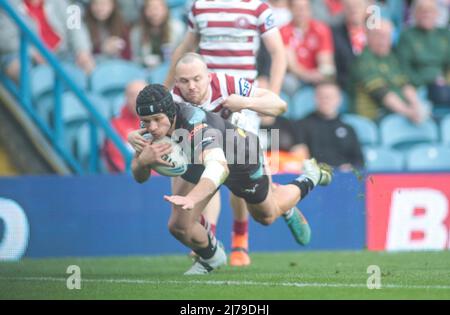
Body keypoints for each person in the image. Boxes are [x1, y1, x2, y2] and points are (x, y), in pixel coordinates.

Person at [130, 84, 333, 275]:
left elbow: (219, 168)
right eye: (147, 121)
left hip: (241, 158)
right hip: (199, 161)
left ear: (171, 112)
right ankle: (212, 258)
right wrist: (142, 162)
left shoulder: (196, 123)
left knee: (266, 216)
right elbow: (139, 178)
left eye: (157, 119)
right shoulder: (148, 125)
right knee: (178, 226)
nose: (152, 127)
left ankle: (310, 177)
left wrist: (192, 199)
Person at [129, 53, 298, 267]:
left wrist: (245, 102)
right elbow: (155, 128)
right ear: (176, 81)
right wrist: (138, 143)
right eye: (183, 81)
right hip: (200, 154)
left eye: (196, 79)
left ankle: (254, 227)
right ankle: (211, 247)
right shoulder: (172, 101)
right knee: (180, 215)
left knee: (265, 216)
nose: (190, 86)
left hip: (240, 150)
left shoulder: (227, 84)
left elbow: (280, 106)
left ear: (208, 76)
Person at [162, 0, 288, 267]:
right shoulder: (199, 7)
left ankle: (240, 239)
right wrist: (164, 91)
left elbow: (278, 53)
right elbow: (185, 48)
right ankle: (210, 236)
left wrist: (270, 98)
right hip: (199, 88)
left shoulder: (257, 7)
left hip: (239, 98)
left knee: (238, 175)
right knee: (201, 168)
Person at [349, 19, 430, 123]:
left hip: (394, 113)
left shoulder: (391, 57)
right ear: (368, 37)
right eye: (379, 35)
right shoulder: (364, 60)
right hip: (371, 119)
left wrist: (417, 106)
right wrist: (409, 112)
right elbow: (382, 94)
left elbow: (405, 84)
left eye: (387, 36)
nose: (383, 40)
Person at [0, 0, 95, 82]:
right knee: (27, 73)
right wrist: (34, 53)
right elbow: (7, 40)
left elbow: (76, 27)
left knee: (92, 69)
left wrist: (82, 51)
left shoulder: (62, 2)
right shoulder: (8, 5)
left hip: (62, 53)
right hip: (26, 56)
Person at [291, 81, 364, 171]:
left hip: (344, 177)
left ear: (339, 99)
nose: (326, 100)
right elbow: (298, 158)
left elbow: (359, 161)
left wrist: (350, 167)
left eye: (330, 97)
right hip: (314, 178)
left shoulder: (348, 129)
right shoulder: (301, 125)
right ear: (315, 98)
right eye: (321, 96)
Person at [397, 0, 450, 108]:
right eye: (422, 11)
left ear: (437, 13)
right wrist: (429, 79)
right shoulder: (407, 36)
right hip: (417, 87)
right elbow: (404, 68)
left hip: (442, 84)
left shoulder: (444, 34)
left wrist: (445, 80)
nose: (427, 14)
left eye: (430, 11)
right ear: (415, 14)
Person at [279, 0, 336, 96]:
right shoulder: (283, 31)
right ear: (290, 9)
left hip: (317, 75)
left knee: (330, 75)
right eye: (297, 8)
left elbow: (326, 60)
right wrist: (309, 75)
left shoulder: (321, 29)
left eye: (305, 8)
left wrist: (321, 74)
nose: (301, 11)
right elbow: (292, 65)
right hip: (296, 76)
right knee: (289, 83)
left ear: (310, 9)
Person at [103, 80, 147, 172]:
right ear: (126, 98)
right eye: (132, 95)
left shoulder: (162, 124)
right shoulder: (115, 125)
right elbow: (117, 160)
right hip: (130, 180)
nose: (137, 99)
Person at [129, 0, 185, 69]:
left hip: (172, 70)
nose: (154, 13)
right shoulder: (137, 32)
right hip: (146, 72)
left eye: (158, 8)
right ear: (144, 11)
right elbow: (135, 59)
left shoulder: (178, 28)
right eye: (150, 8)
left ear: (166, 9)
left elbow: (183, 56)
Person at [332, 0, 369, 90]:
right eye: (349, 7)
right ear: (343, 9)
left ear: (366, 10)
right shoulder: (334, 34)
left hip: (373, 83)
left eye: (357, 6)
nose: (353, 10)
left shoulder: (375, 33)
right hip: (347, 84)